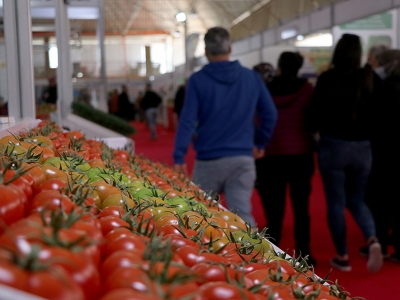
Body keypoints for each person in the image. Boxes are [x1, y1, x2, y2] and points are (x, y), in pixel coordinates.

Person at [172, 27, 277, 226]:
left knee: (202, 218)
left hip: (208, 160)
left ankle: (208, 257)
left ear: (206, 52)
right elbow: (269, 113)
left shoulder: (197, 80)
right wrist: (260, 143)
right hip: (242, 159)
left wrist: (179, 154)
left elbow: (187, 120)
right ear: (229, 48)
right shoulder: (251, 77)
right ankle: (252, 256)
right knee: (243, 216)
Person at [309, 33, 383, 273]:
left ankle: (342, 256)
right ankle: (372, 238)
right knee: (358, 199)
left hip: (334, 146)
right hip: (363, 147)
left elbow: (315, 114)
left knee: (336, 203)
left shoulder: (327, 79)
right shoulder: (369, 77)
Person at [255, 52, 316, 264]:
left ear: (279, 67)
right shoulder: (307, 89)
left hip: (272, 155)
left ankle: (273, 252)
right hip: (300, 154)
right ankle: (304, 252)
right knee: (301, 208)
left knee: (274, 209)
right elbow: (312, 119)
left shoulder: (266, 90)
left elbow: (258, 118)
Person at [362, 49, 400, 263]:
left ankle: (382, 243)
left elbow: (375, 121)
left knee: (380, 200)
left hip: (384, 152)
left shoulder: (383, 88)